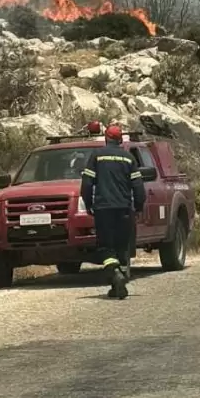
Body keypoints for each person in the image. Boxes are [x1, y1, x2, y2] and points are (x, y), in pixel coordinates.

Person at [80, 124, 146, 299]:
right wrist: (139, 207)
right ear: (120, 140)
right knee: (122, 247)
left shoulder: (97, 156)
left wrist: (88, 203)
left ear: (106, 138)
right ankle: (118, 283)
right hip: (124, 208)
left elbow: (87, 183)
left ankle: (115, 274)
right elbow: (138, 186)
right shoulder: (128, 157)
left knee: (106, 247)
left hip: (103, 209)